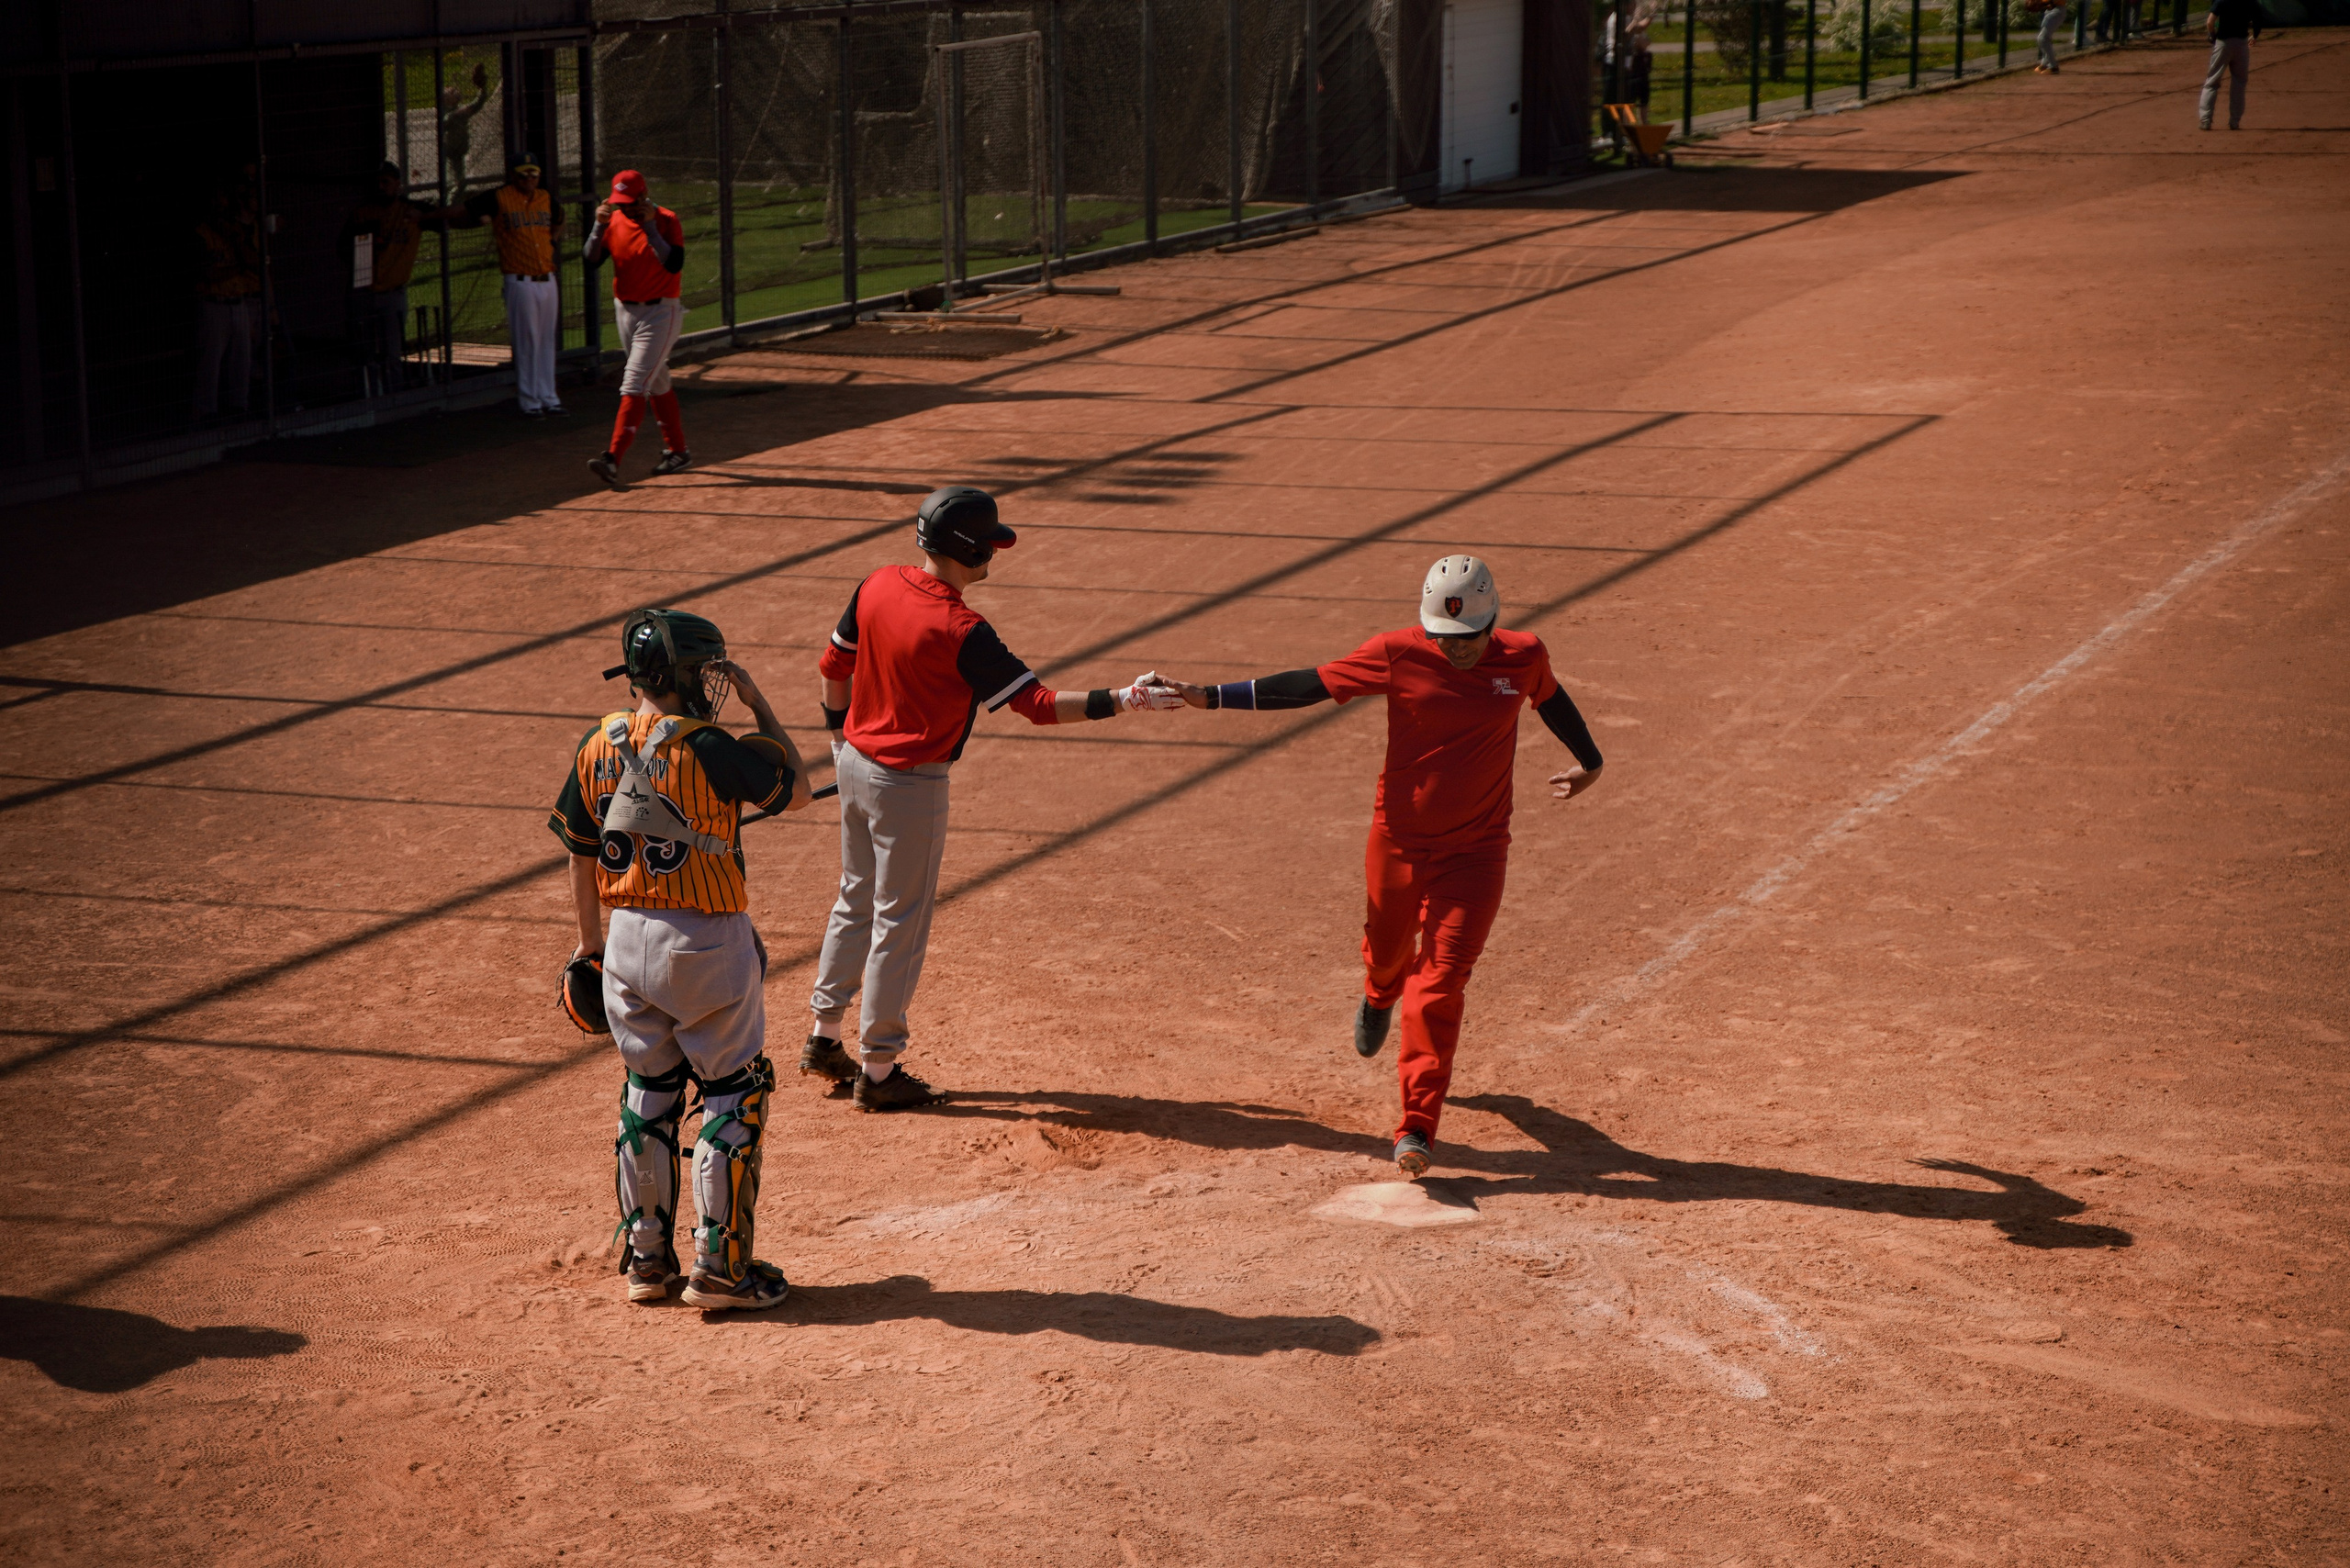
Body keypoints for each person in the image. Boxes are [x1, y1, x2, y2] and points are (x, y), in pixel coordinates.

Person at [1151, 556, 1606, 1179]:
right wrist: (1211, 698)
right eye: (1448, 641)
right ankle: (1377, 990)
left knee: (1441, 984)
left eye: (1470, 639)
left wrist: (1590, 760)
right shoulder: (1397, 653)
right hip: (1397, 841)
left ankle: (1417, 1126)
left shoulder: (1523, 655)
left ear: (1492, 623)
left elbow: (1550, 699)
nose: (1461, 651)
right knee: (1389, 952)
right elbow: (1312, 684)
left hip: (1477, 851)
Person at [805, 486, 1189, 1111]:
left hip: (854, 764)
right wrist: (1125, 698)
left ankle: (824, 1036)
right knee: (899, 923)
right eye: (990, 542)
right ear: (970, 548)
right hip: (909, 785)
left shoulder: (875, 584)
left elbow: (832, 667)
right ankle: (877, 1074)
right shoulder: (962, 628)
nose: (995, 552)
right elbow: (1038, 708)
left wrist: (837, 740)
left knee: (855, 897)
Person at [549, 608, 814, 1311]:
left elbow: (577, 851)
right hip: (704, 943)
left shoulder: (596, 744)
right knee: (733, 1092)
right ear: (693, 676)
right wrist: (759, 705)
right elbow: (798, 792)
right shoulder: (709, 745)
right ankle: (721, 1271)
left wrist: (591, 947)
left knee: (648, 1096)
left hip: (626, 938)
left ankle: (646, 1263)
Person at [583, 170, 689, 487]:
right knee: (656, 380)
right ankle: (679, 453)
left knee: (634, 382)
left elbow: (673, 264)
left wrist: (650, 228)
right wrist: (598, 226)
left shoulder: (668, 220)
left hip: (661, 312)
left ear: (644, 197)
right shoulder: (612, 221)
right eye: (620, 203)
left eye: (631, 202)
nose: (625, 208)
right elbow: (590, 259)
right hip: (625, 310)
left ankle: (612, 460)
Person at [461, 152, 565, 416]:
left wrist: (552, 241)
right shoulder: (500, 196)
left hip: (547, 279)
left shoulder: (545, 197)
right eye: (523, 174)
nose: (529, 178)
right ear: (513, 175)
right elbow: (466, 211)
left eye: (533, 173)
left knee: (546, 341)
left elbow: (559, 219)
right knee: (527, 340)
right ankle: (530, 400)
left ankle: (549, 397)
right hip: (519, 281)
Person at [341, 162, 439, 395]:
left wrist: (424, 215)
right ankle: (367, 394)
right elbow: (342, 248)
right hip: (364, 290)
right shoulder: (362, 213)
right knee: (364, 352)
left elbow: (443, 220)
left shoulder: (410, 210)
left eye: (386, 182)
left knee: (392, 352)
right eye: (378, 183)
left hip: (393, 291)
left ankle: (395, 396)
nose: (381, 187)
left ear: (397, 184)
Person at [191, 183, 262, 422]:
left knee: (242, 358)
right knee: (210, 360)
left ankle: (238, 406)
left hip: (237, 300)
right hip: (213, 303)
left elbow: (252, 261)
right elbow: (208, 273)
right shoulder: (200, 233)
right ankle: (206, 410)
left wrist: (236, 244)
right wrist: (237, 267)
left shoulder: (234, 232)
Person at [2199, 0, 2267, 129]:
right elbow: (2258, 20)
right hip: (2241, 44)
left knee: (2212, 82)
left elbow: (2210, 22)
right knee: (2239, 83)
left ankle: (2205, 120)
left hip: (2223, 43)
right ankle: (2234, 121)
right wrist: (2255, 36)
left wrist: (2212, 36)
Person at [439, 61, 492, 200]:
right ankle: (450, 204)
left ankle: (453, 202)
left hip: (458, 152)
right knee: (457, 183)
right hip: (451, 152)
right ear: (445, 100)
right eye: (451, 92)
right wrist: (482, 92)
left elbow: (475, 106)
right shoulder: (451, 115)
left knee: (459, 183)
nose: (455, 91)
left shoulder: (457, 111)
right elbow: (471, 108)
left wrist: (483, 90)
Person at [2029, 0, 2067, 72]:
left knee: (2042, 38)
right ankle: (2045, 64)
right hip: (2049, 10)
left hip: (2058, 10)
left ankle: (2053, 66)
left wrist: (2042, 2)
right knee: (2045, 38)